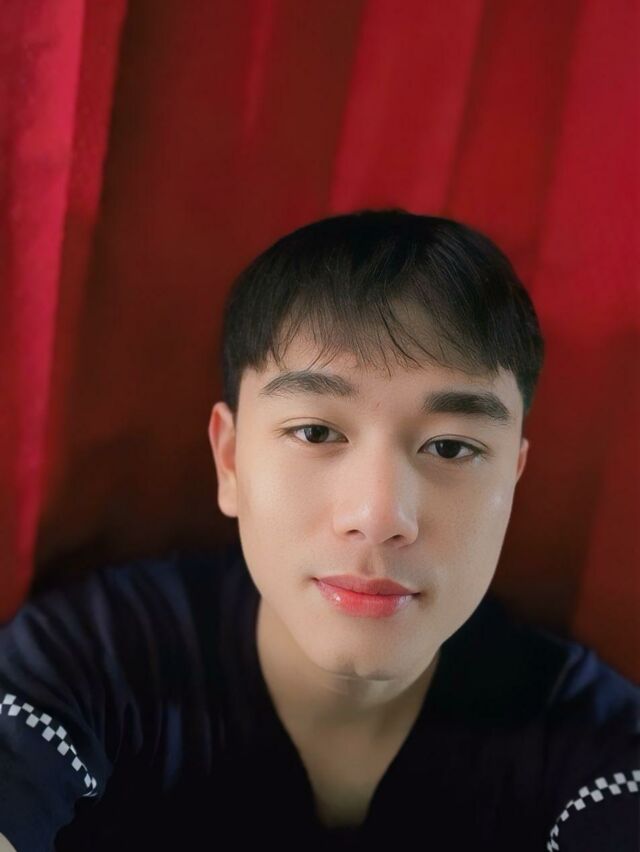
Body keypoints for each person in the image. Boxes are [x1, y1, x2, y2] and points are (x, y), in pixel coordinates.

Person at [0, 210, 638, 852]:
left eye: (450, 447)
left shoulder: (595, 742)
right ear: (230, 461)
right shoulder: (88, 662)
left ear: (514, 480)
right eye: (315, 432)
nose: (379, 517)